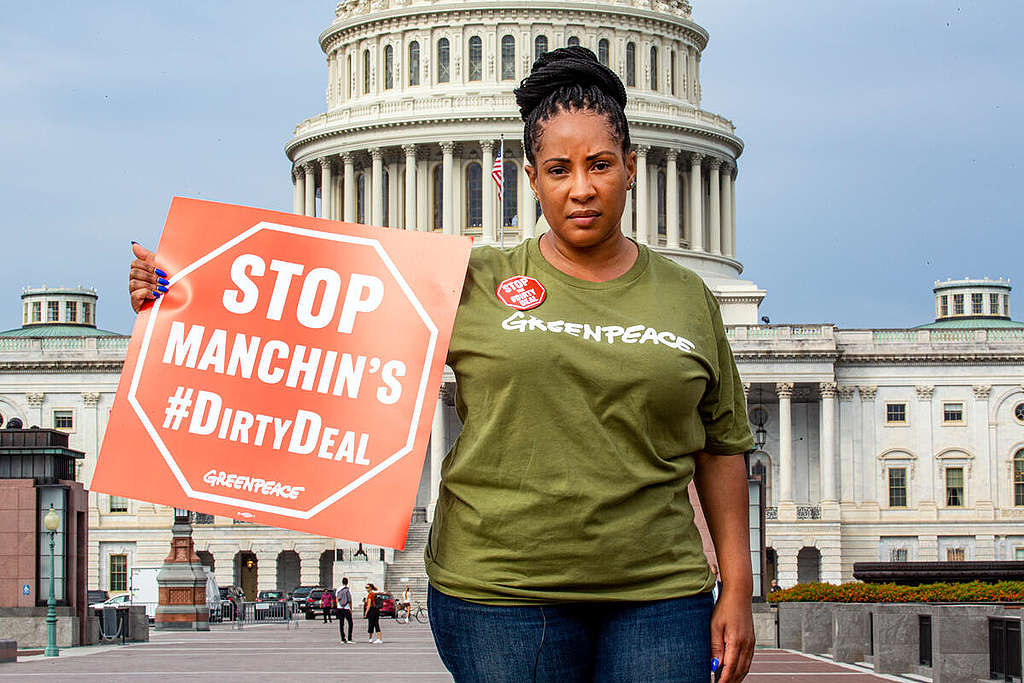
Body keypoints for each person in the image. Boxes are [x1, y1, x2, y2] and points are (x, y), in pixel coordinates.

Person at [127, 45, 754, 683]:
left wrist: (737, 585)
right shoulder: (465, 279)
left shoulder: (687, 297)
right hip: (499, 591)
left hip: (658, 592)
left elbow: (722, 445)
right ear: (530, 179)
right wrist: (183, 288)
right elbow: (307, 320)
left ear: (632, 167)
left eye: (599, 165)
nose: (582, 187)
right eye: (559, 169)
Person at [336, 578, 353, 643]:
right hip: (346, 608)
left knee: (341, 623)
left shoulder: (338, 590)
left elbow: (336, 599)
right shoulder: (348, 590)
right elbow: (350, 600)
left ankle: (342, 639)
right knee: (350, 623)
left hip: (340, 608)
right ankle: (349, 638)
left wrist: (338, 606)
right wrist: (351, 608)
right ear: (347, 582)